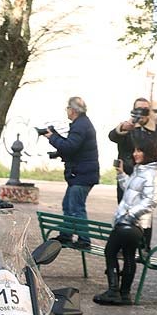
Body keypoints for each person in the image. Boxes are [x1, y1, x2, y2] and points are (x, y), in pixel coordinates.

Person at [93, 145, 157, 306]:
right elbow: (130, 190)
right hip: (131, 223)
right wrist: (121, 174)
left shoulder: (151, 173)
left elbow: (151, 200)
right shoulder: (140, 170)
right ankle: (124, 295)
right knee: (129, 256)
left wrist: (129, 215)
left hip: (131, 223)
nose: (135, 153)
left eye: (139, 150)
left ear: (149, 153)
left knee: (110, 251)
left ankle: (113, 291)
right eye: (135, 150)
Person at [43, 96, 99, 249]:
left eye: (67, 108)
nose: (66, 111)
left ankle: (84, 240)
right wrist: (56, 138)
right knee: (68, 205)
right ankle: (66, 235)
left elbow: (70, 147)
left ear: (73, 110)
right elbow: (73, 147)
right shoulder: (81, 124)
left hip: (82, 175)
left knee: (76, 208)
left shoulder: (80, 125)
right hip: (81, 174)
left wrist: (52, 137)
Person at [107, 98, 157, 204]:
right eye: (139, 109)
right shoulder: (128, 127)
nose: (142, 112)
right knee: (124, 211)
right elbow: (112, 137)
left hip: (148, 178)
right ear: (133, 110)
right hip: (127, 174)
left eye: (145, 109)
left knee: (143, 211)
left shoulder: (156, 130)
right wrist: (123, 128)